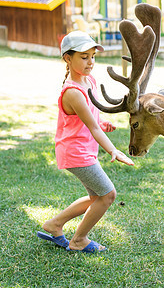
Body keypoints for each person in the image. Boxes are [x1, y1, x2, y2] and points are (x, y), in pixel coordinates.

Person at [37, 31, 134, 253]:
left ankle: (55, 224)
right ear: (67, 58)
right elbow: (91, 127)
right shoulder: (72, 92)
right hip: (75, 153)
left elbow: (91, 118)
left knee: (96, 196)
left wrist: (103, 121)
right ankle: (79, 240)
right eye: (84, 57)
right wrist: (113, 149)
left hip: (82, 149)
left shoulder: (89, 80)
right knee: (108, 195)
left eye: (93, 56)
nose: (90, 62)